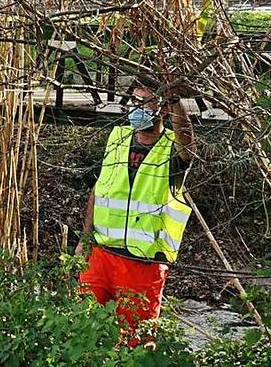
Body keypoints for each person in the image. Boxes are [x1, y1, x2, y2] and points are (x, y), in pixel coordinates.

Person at [75, 73, 196, 347]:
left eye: (145, 102)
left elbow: (188, 146)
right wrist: (84, 238)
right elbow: (99, 189)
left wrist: (176, 100)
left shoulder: (170, 149)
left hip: (143, 265)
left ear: (162, 108)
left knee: (136, 345)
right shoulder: (117, 138)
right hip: (102, 256)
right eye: (134, 101)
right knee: (82, 331)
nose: (136, 108)